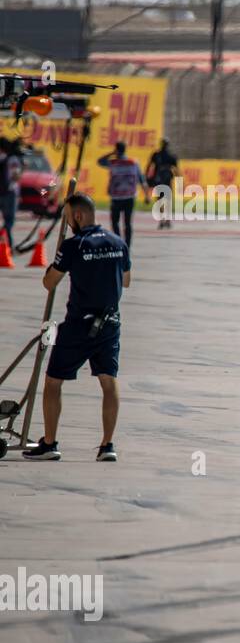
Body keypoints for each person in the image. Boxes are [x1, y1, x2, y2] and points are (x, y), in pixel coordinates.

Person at [23, 193, 131, 462]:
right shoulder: (119, 243)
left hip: (79, 326)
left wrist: (59, 258)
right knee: (108, 381)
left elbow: (50, 283)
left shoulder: (74, 245)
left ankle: (50, 443)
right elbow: (126, 281)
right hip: (110, 324)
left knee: (53, 381)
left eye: (68, 217)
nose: (68, 222)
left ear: (79, 216)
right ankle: (108, 445)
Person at [97, 141, 148, 247]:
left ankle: (118, 243)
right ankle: (127, 246)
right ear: (125, 149)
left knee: (115, 222)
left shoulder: (113, 162)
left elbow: (100, 161)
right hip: (130, 197)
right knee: (128, 223)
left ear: (116, 149)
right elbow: (142, 180)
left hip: (116, 197)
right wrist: (146, 195)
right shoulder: (133, 163)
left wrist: (112, 153)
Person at [146, 138, 179, 230]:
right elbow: (176, 170)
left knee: (160, 201)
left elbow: (149, 166)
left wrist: (147, 176)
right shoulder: (171, 156)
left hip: (159, 180)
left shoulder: (157, 155)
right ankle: (167, 221)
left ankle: (162, 221)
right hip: (166, 181)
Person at [2, 139, 20, 249]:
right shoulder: (12, 160)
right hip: (10, 193)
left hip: (1, 193)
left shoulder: (3, 158)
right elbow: (15, 176)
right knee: (9, 220)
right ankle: (8, 245)